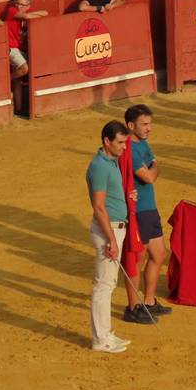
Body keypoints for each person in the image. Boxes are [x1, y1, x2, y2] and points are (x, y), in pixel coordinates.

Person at [121, 104, 171, 325]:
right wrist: (155, 168)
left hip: (149, 207)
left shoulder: (142, 143)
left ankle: (149, 302)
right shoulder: (129, 149)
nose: (149, 128)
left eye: (150, 124)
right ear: (131, 126)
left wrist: (154, 168)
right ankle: (133, 307)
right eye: (144, 124)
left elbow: (153, 168)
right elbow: (150, 175)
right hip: (138, 210)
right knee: (136, 260)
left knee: (159, 254)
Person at [86, 120, 132, 353]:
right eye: (120, 142)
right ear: (107, 141)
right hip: (108, 230)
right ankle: (100, 339)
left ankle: (105, 333)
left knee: (109, 283)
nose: (124, 147)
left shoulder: (110, 162)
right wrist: (112, 239)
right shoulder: (100, 167)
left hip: (114, 228)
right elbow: (99, 206)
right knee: (104, 285)